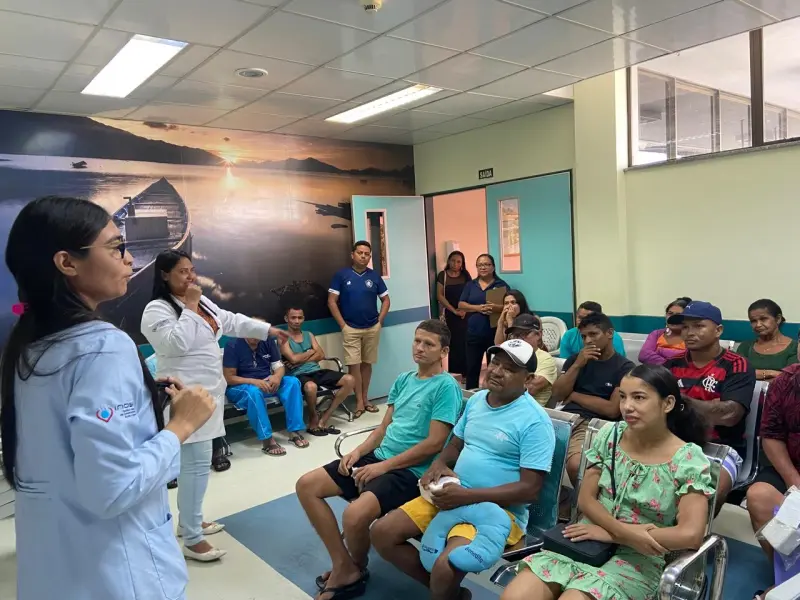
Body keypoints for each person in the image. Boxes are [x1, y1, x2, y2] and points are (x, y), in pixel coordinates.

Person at [1, 196, 216, 600]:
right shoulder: (104, 347)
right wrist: (180, 427)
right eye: (117, 247)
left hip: (54, 570)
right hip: (119, 574)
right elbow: (114, 488)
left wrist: (143, 400)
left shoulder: (29, 349)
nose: (129, 259)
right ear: (67, 262)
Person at [502, 364, 713, 600]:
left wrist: (614, 535)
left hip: (639, 556)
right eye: (623, 396)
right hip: (585, 537)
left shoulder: (688, 460)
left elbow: (690, 534)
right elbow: (586, 499)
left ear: (668, 404)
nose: (627, 406)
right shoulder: (611, 435)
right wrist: (618, 531)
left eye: (639, 397)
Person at [371, 339, 555, 600]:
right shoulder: (478, 400)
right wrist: (439, 464)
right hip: (453, 495)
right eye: (495, 363)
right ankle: (451, 594)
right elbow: (455, 444)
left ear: (528, 378)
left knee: (446, 565)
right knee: (382, 533)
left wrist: (466, 497)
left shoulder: (535, 422)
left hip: (497, 511)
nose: (497, 371)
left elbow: (530, 490)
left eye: (509, 369)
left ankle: (444, 590)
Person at [295, 320, 463, 600]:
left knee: (354, 515)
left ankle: (355, 567)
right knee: (307, 486)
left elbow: (434, 443)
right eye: (417, 341)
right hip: (380, 458)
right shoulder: (404, 379)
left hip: (410, 471)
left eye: (429, 344)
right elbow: (383, 428)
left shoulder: (445, 387)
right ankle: (345, 566)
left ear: (443, 351)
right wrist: (358, 452)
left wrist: (381, 467)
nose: (420, 348)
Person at [141, 250, 287, 562]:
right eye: (182, 271)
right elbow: (176, 343)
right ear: (164, 275)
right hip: (184, 399)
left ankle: (190, 522)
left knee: (198, 465)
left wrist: (266, 330)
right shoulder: (156, 310)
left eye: (192, 270)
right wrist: (191, 306)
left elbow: (229, 320)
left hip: (209, 396)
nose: (191, 277)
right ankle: (192, 538)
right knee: (194, 467)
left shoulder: (202, 302)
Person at [664, 300, 756, 510]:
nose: (689, 332)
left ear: (718, 330)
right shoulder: (672, 364)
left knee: (703, 498)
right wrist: (710, 406)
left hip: (720, 448)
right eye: (685, 327)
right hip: (675, 441)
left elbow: (730, 416)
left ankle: (694, 530)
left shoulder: (736, 364)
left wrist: (678, 400)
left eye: (698, 326)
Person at [552, 312, 635, 484]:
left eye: (593, 334)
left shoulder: (624, 367)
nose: (588, 341)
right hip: (566, 418)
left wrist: (573, 395)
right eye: (584, 336)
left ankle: (582, 500)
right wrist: (577, 365)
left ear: (609, 333)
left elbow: (612, 410)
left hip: (594, 423)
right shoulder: (576, 360)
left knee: (577, 464)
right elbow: (558, 394)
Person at [746, 350, 800, 599]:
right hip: (792, 467)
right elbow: (771, 436)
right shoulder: (785, 382)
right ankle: (786, 580)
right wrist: (795, 484)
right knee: (759, 496)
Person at [328, 240, 390, 419]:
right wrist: (343, 325)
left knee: (367, 363)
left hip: (371, 327)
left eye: (367, 254)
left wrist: (379, 321)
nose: (363, 256)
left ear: (370, 257)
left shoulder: (374, 276)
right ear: (352, 254)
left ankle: (365, 398)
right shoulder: (341, 275)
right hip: (351, 328)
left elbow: (386, 300)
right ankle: (359, 402)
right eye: (360, 253)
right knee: (353, 365)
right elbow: (331, 301)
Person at [223, 332, 309, 456]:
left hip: (265, 382)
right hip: (241, 387)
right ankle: (267, 439)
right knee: (253, 392)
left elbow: (278, 366)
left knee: (292, 382)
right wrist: (254, 382)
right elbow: (229, 378)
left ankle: (294, 431)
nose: (256, 336)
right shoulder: (233, 345)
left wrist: (277, 377)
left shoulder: (267, 341)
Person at [281, 305, 356, 436]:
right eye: (293, 318)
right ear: (286, 319)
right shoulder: (283, 338)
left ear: (303, 318)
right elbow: (292, 359)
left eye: (300, 317)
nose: (297, 321)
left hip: (316, 371)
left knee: (350, 380)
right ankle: (313, 417)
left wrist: (300, 359)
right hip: (298, 375)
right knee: (311, 387)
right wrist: (310, 352)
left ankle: (325, 417)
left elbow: (321, 354)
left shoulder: (308, 335)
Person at [458, 253, 508, 390]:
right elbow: (461, 304)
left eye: (486, 264)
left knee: (494, 369)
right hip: (473, 334)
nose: (483, 267)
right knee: (472, 369)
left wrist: (496, 308)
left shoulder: (501, 285)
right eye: (480, 265)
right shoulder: (470, 285)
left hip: (494, 334)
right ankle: (471, 397)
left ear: (493, 267)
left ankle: (492, 394)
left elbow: (509, 306)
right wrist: (478, 308)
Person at [504, 314, 560, 407]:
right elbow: (489, 383)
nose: (518, 339)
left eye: (524, 334)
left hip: (527, 410)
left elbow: (530, 389)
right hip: (504, 406)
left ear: (538, 335)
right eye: (515, 335)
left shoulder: (545, 359)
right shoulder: (508, 355)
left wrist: (503, 380)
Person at [736, 299, 798, 381]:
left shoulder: (794, 348)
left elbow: (790, 379)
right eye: (753, 321)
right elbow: (737, 374)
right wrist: (771, 373)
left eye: (763, 319)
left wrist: (754, 374)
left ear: (778, 319)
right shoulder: (745, 347)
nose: (758, 325)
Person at [436, 250, 471, 382]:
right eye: (453, 261)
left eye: (458, 262)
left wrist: (465, 309)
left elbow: (471, 292)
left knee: (466, 343)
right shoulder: (443, 275)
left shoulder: (465, 275)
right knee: (453, 344)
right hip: (451, 315)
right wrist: (454, 310)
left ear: (462, 263)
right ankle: (454, 374)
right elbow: (439, 295)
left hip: (465, 315)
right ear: (448, 261)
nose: (455, 264)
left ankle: (467, 374)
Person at [559, 301, 627, 358]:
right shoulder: (569, 335)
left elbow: (617, 365)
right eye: (579, 317)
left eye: (586, 319)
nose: (581, 322)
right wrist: (578, 363)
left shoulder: (612, 338)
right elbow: (564, 362)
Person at [638, 297, 692, 365]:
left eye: (678, 315)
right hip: (655, 371)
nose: (673, 318)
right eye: (670, 313)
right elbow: (643, 355)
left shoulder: (691, 336)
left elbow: (689, 359)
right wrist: (668, 364)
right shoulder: (656, 334)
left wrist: (661, 351)